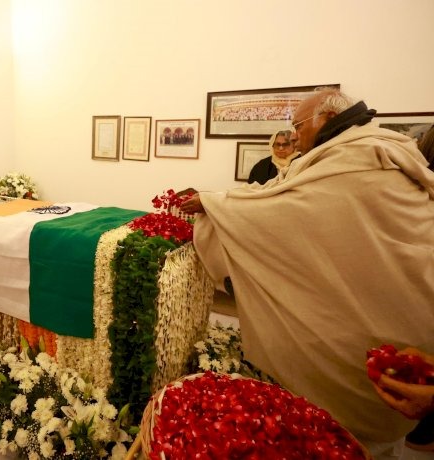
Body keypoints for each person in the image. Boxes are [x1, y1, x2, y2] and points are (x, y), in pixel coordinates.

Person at [180, 88, 434, 457]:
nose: (294, 136)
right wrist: (219, 199)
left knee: (345, 440)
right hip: (402, 308)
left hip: (378, 314)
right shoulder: (364, 150)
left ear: (327, 119)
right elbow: (279, 192)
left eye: (298, 126)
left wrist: (214, 204)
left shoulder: (354, 159)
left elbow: (278, 211)